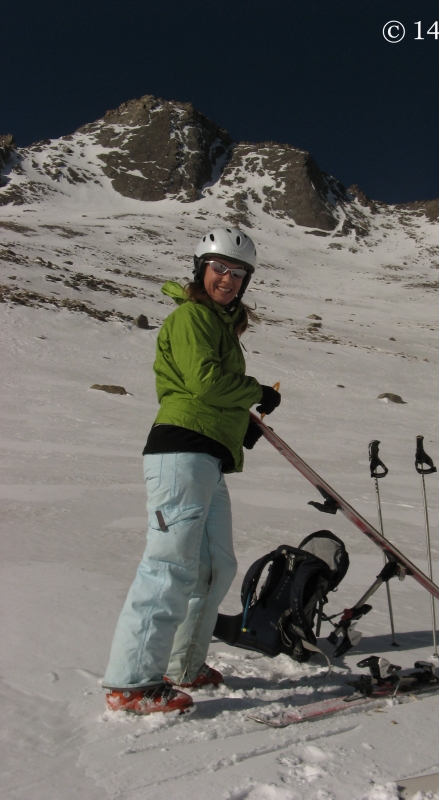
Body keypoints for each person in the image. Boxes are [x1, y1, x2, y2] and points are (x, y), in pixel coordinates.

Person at [102, 227, 281, 714]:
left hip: (208, 456)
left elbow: (211, 392)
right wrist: (256, 392)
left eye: (238, 273)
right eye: (219, 268)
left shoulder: (220, 326)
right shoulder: (191, 316)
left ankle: (184, 664)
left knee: (215, 566)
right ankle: (131, 683)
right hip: (180, 452)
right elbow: (203, 383)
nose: (228, 279)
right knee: (169, 566)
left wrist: (238, 423)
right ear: (201, 269)